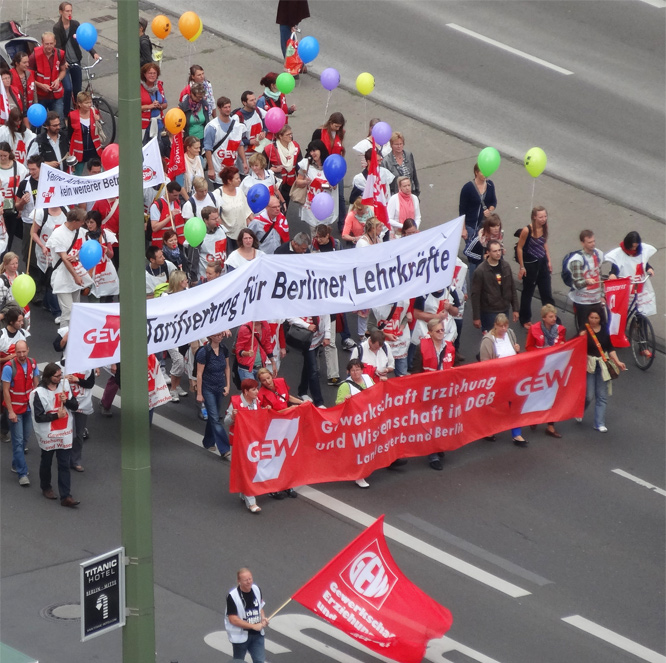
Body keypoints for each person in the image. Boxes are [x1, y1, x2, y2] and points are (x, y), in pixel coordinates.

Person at [30, 362, 80, 506]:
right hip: (49, 434)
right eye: (57, 376)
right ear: (48, 376)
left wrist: (68, 401)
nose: (60, 378)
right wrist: (56, 416)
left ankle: (66, 496)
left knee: (64, 464)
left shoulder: (65, 386)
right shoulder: (38, 393)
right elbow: (39, 417)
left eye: (60, 375)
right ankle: (46, 487)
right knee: (46, 462)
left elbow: (75, 406)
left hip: (64, 433)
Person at [479, 314, 528, 447]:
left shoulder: (510, 334)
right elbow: (484, 364)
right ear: (495, 325)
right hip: (497, 379)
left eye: (505, 325)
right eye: (501, 326)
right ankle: (488, 430)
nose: (503, 328)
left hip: (513, 377)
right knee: (494, 406)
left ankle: (516, 434)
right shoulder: (488, 341)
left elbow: (516, 355)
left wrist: (518, 351)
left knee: (515, 404)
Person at [579, 307, 626, 433]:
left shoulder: (605, 331)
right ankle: (579, 410)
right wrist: (579, 338)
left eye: (596, 318)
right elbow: (574, 345)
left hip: (602, 364)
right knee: (589, 395)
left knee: (602, 395)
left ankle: (599, 423)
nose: (593, 320)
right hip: (589, 366)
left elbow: (610, 348)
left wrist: (617, 361)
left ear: (601, 319)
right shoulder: (584, 330)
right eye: (591, 318)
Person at [45, 208, 92, 325]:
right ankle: (64, 339)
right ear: (75, 221)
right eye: (82, 221)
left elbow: (86, 249)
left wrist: (77, 257)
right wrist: (76, 276)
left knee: (75, 311)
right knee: (68, 312)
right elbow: (65, 259)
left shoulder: (81, 232)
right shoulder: (58, 234)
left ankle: (73, 336)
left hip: (75, 276)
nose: (84, 224)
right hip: (62, 278)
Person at [525, 304, 566, 438]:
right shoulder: (534, 329)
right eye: (551, 316)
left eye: (554, 316)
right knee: (537, 394)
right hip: (538, 367)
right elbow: (529, 347)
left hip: (554, 368)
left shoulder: (560, 330)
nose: (554, 318)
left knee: (552, 395)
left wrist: (561, 347)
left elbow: (564, 346)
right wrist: (543, 353)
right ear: (544, 318)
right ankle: (534, 418)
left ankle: (550, 426)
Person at [53, 2, 100, 117]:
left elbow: (83, 39)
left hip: (76, 60)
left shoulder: (75, 25)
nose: (69, 13)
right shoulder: (57, 28)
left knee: (78, 91)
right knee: (68, 88)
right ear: (61, 12)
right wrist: (64, 62)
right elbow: (58, 47)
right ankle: (66, 114)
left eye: (71, 11)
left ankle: (79, 114)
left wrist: (94, 53)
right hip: (65, 63)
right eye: (67, 11)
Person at [420, 318, 455, 470]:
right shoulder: (421, 347)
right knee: (431, 422)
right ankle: (432, 454)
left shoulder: (450, 347)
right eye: (438, 331)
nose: (441, 333)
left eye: (442, 330)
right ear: (430, 333)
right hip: (429, 391)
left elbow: (455, 365)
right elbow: (415, 370)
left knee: (442, 420)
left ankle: (438, 445)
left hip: (445, 391)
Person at [2, 339, 38, 486]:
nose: (21, 354)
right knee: (17, 442)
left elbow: (36, 383)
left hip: (28, 409)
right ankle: (22, 473)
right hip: (15, 411)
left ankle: (16, 463)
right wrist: (10, 411)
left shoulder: (33, 363)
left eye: (24, 351)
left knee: (24, 440)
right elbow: (5, 390)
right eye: (18, 352)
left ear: (28, 350)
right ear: (15, 353)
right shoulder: (8, 367)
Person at [224, 380, 263, 513]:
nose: (257, 392)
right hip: (238, 441)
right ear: (246, 392)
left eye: (257, 389)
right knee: (246, 469)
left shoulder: (257, 402)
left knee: (250, 468)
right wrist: (233, 417)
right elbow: (226, 421)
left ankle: (244, 493)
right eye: (254, 390)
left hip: (252, 441)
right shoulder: (235, 402)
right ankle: (251, 502)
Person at [336, 358, 375, 488]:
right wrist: (345, 401)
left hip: (370, 418)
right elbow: (338, 405)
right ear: (348, 372)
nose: (355, 372)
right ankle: (359, 476)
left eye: (358, 369)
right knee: (360, 448)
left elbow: (377, 392)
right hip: (356, 422)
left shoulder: (368, 379)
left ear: (361, 369)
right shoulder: (345, 386)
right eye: (352, 370)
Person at [516, 206, 555, 328]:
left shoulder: (545, 227)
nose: (543, 219)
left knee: (546, 292)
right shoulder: (527, 230)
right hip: (531, 264)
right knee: (528, 292)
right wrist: (522, 267)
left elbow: (544, 243)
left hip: (542, 262)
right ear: (534, 217)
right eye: (541, 217)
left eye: (545, 216)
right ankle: (525, 319)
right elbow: (520, 248)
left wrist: (548, 260)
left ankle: (552, 317)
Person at [605, 230, 657, 318]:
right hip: (626, 287)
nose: (634, 249)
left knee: (641, 305)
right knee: (622, 310)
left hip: (639, 284)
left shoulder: (641, 252)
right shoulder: (619, 254)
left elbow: (645, 263)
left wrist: (649, 268)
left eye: (636, 247)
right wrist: (613, 275)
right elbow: (615, 269)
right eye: (632, 247)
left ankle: (638, 322)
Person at [195, 332, 231, 457]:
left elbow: (227, 367)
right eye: (216, 335)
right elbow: (199, 374)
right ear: (210, 336)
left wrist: (227, 385)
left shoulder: (223, 349)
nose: (220, 337)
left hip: (219, 387)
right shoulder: (204, 352)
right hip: (208, 388)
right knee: (215, 418)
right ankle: (224, 448)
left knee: (213, 416)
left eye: (221, 335)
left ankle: (208, 441)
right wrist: (199, 393)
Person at [471, 239, 519, 332]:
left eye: (499, 250)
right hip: (489, 311)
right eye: (495, 251)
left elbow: (512, 287)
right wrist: (476, 317)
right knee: (492, 340)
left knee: (503, 335)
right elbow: (475, 295)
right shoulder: (480, 271)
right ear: (488, 252)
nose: (498, 253)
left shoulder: (506, 266)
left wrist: (515, 309)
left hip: (504, 308)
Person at [225, 567, 269, 661]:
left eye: (250, 579)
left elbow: (260, 608)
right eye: (246, 580)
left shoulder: (256, 589)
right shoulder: (233, 596)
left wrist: (263, 618)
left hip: (257, 635)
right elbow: (233, 619)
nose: (249, 582)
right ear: (239, 581)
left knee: (260, 661)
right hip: (240, 637)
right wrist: (253, 626)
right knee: (238, 661)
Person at [287, 314, 330, 407]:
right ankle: (319, 402)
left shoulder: (322, 301)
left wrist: (327, 335)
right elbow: (290, 317)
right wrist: (307, 325)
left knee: (308, 366)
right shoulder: (299, 302)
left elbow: (327, 315)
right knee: (313, 371)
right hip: (306, 340)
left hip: (317, 339)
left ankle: (302, 391)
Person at [204, 96, 248, 186]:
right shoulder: (212, 127)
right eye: (225, 107)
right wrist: (211, 169)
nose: (228, 109)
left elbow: (239, 144)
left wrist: (244, 162)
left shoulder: (236, 125)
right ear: (219, 108)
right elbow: (208, 149)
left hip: (232, 171)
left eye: (229, 107)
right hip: (218, 171)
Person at [312, 113, 346, 229]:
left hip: (336, 168)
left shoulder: (340, 133)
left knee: (340, 197)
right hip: (323, 168)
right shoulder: (319, 132)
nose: (338, 129)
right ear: (330, 123)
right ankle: (321, 221)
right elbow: (313, 148)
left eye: (339, 127)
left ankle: (342, 223)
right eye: (336, 126)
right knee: (323, 194)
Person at [294, 139, 337, 230]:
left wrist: (330, 184)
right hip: (311, 206)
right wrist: (305, 182)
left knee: (325, 234)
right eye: (311, 151)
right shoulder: (306, 164)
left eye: (315, 150)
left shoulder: (330, 165)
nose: (312, 153)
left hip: (326, 205)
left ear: (321, 150)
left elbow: (335, 186)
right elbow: (298, 181)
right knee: (315, 234)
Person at [567, 229, 605, 330]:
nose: (593, 244)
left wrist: (602, 295)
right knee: (584, 331)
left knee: (601, 328)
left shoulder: (598, 254)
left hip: (596, 299)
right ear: (582, 243)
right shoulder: (577, 260)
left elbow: (599, 275)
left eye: (593, 241)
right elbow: (577, 284)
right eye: (589, 242)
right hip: (583, 302)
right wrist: (586, 281)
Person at [28, 32, 67, 120]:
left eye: (51, 43)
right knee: (39, 122)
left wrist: (58, 80)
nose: (49, 46)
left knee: (58, 122)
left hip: (56, 95)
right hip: (41, 96)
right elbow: (29, 78)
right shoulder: (34, 56)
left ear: (55, 42)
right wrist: (41, 85)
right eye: (46, 44)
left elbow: (63, 70)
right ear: (42, 43)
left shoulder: (60, 54)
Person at [367, 300, 411, 376]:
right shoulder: (376, 306)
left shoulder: (404, 301)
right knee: (380, 373)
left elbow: (406, 316)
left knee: (402, 374)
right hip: (382, 344)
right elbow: (370, 326)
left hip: (400, 343)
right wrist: (386, 335)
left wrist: (402, 327)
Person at [185, 206, 227, 283]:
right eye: (214, 219)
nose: (217, 220)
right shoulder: (198, 235)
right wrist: (194, 279)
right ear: (205, 220)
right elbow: (192, 259)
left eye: (217, 217)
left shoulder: (222, 229)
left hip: (222, 275)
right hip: (205, 278)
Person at [215, 166, 253, 252]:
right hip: (227, 236)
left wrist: (256, 225)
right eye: (237, 178)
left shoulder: (240, 191)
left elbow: (247, 210)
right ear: (229, 181)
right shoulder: (217, 194)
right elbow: (216, 217)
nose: (240, 180)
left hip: (242, 234)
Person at [459, 163, 497, 246]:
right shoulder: (467, 188)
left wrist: (490, 210)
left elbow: (494, 202)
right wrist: (463, 229)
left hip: (484, 225)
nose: (485, 174)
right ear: (476, 172)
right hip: (470, 225)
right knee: (474, 250)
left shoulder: (490, 185)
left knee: (485, 248)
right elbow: (462, 211)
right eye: (482, 172)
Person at [264, 124, 301, 207]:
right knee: (276, 206)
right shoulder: (269, 149)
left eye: (291, 134)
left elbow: (299, 165)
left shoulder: (296, 146)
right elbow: (262, 166)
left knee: (285, 206)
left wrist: (300, 178)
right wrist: (271, 169)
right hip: (277, 184)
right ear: (280, 136)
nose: (291, 136)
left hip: (291, 183)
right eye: (288, 135)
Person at [0, 143, 28, 255]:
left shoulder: (19, 168)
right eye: (0, 156)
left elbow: (24, 187)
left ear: (10, 154)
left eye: (4, 156)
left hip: (12, 205)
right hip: (0, 204)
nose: (2, 158)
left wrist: (20, 206)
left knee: (9, 236)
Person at [84, 210, 118, 301]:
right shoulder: (84, 235)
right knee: (93, 300)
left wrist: (106, 251)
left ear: (97, 222)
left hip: (104, 273)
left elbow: (111, 255)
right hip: (91, 272)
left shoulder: (105, 234)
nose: (89, 225)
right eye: (87, 222)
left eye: (92, 222)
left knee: (105, 300)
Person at [68, 91, 103, 174]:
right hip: (79, 153)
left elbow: (98, 130)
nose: (89, 105)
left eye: (90, 102)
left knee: (97, 175)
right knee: (77, 177)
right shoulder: (72, 116)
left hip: (95, 151)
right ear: (79, 104)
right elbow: (70, 134)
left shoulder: (95, 112)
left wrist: (98, 120)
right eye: (86, 103)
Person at [463, 213, 503, 283]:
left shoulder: (499, 236)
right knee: (476, 284)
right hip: (476, 264)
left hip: (491, 263)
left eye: (498, 225)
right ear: (488, 227)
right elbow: (466, 251)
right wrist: (481, 257)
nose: (496, 228)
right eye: (493, 226)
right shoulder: (479, 238)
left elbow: (500, 245)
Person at [381, 131, 420, 197]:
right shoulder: (386, 161)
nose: (399, 146)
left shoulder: (408, 155)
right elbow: (385, 183)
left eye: (401, 144)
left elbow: (414, 175)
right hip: (396, 196)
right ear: (391, 145)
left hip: (410, 193)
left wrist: (416, 190)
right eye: (396, 144)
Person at [139, 62, 167, 147]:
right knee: (144, 147)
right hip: (144, 125)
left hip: (157, 124)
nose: (152, 75)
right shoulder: (139, 88)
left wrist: (160, 106)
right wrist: (150, 106)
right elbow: (134, 107)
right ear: (144, 74)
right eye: (150, 73)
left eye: (154, 73)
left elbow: (165, 103)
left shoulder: (159, 86)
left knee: (156, 147)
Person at [150, 180, 184, 247]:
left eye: (178, 195)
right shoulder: (157, 205)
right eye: (175, 195)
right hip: (161, 245)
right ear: (168, 192)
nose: (177, 197)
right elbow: (154, 227)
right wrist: (170, 217)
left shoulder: (176, 202)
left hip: (175, 244)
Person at [234, 91, 267, 158]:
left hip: (259, 154)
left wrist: (264, 132)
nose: (255, 101)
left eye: (255, 99)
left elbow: (269, 120)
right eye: (251, 100)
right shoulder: (237, 118)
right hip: (245, 156)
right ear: (244, 103)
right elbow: (234, 139)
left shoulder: (259, 111)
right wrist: (249, 142)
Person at [9, 52, 37, 117]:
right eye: (24, 63)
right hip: (16, 109)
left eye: (28, 62)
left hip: (29, 107)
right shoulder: (10, 75)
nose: (27, 64)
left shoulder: (30, 73)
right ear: (17, 63)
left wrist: (36, 105)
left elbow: (34, 91)